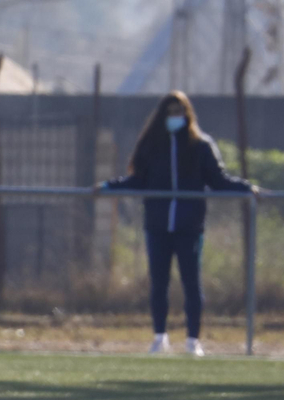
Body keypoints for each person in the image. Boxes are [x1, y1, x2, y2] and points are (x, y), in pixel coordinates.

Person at [102, 92, 255, 356]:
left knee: (191, 284)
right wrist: (107, 186)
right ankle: (160, 336)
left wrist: (247, 188)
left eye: (179, 112)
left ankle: (193, 340)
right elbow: (137, 179)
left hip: (189, 226)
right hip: (158, 225)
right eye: (170, 112)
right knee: (158, 283)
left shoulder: (201, 145)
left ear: (187, 115)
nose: (175, 117)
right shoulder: (151, 144)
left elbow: (218, 180)